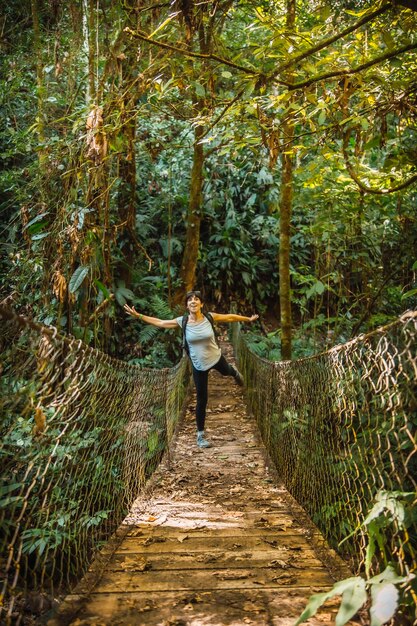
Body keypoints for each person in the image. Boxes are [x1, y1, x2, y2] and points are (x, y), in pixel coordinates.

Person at [124, 290, 259, 448]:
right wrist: (139, 316)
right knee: (202, 399)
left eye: (196, 299)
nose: (193, 302)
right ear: (187, 305)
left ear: (201, 304)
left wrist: (248, 319)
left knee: (227, 371)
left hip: (215, 357)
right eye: (190, 300)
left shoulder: (210, 317)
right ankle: (200, 436)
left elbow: (229, 317)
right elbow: (160, 323)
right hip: (198, 365)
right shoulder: (183, 321)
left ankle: (234, 372)